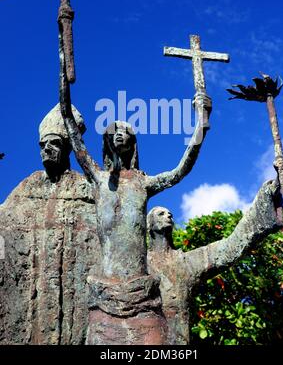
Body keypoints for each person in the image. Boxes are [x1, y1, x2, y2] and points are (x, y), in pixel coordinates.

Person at [58, 39, 212, 344]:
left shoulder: (144, 183)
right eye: (114, 131)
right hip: (103, 298)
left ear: (133, 142)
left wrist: (200, 125)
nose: (119, 134)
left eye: (125, 131)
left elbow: (183, 168)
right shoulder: (98, 178)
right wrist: (63, 74)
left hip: (143, 299)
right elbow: (72, 133)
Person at [0, 104, 99, 344]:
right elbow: (5, 220)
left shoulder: (84, 186)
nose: (46, 149)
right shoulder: (29, 186)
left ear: (67, 148)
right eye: (42, 145)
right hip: (34, 288)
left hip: (75, 290)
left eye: (53, 143)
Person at [147, 173, 283, 345]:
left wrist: (267, 195)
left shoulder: (186, 262)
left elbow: (230, 246)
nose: (168, 216)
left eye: (170, 214)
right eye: (161, 214)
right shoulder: (141, 264)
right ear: (149, 225)